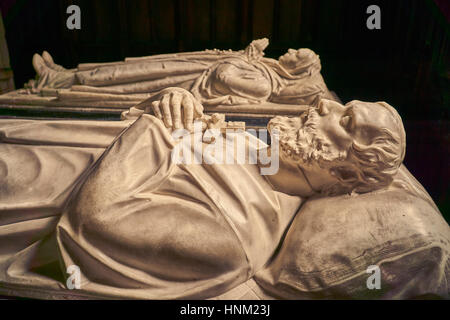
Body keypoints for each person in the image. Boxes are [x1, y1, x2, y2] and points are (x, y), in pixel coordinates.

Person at [0, 89, 406, 298]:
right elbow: (160, 127)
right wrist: (176, 101)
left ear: (345, 170)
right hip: (56, 139)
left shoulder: (235, 238)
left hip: (36, 189)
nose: (323, 104)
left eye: (345, 118)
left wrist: (156, 127)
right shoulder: (254, 145)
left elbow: (96, 218)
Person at [29, 39, 335, 107]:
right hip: (188, 67)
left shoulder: (265, 86)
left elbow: (224, 79)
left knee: (121, 80)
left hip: (182, 83)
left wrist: (240, 60)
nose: (290, 52)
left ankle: (51, 82)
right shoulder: (269, 67)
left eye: (296, 56)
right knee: (126, 68)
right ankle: (60, 73)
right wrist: (248, 55)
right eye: (295, 51)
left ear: (298, 73)